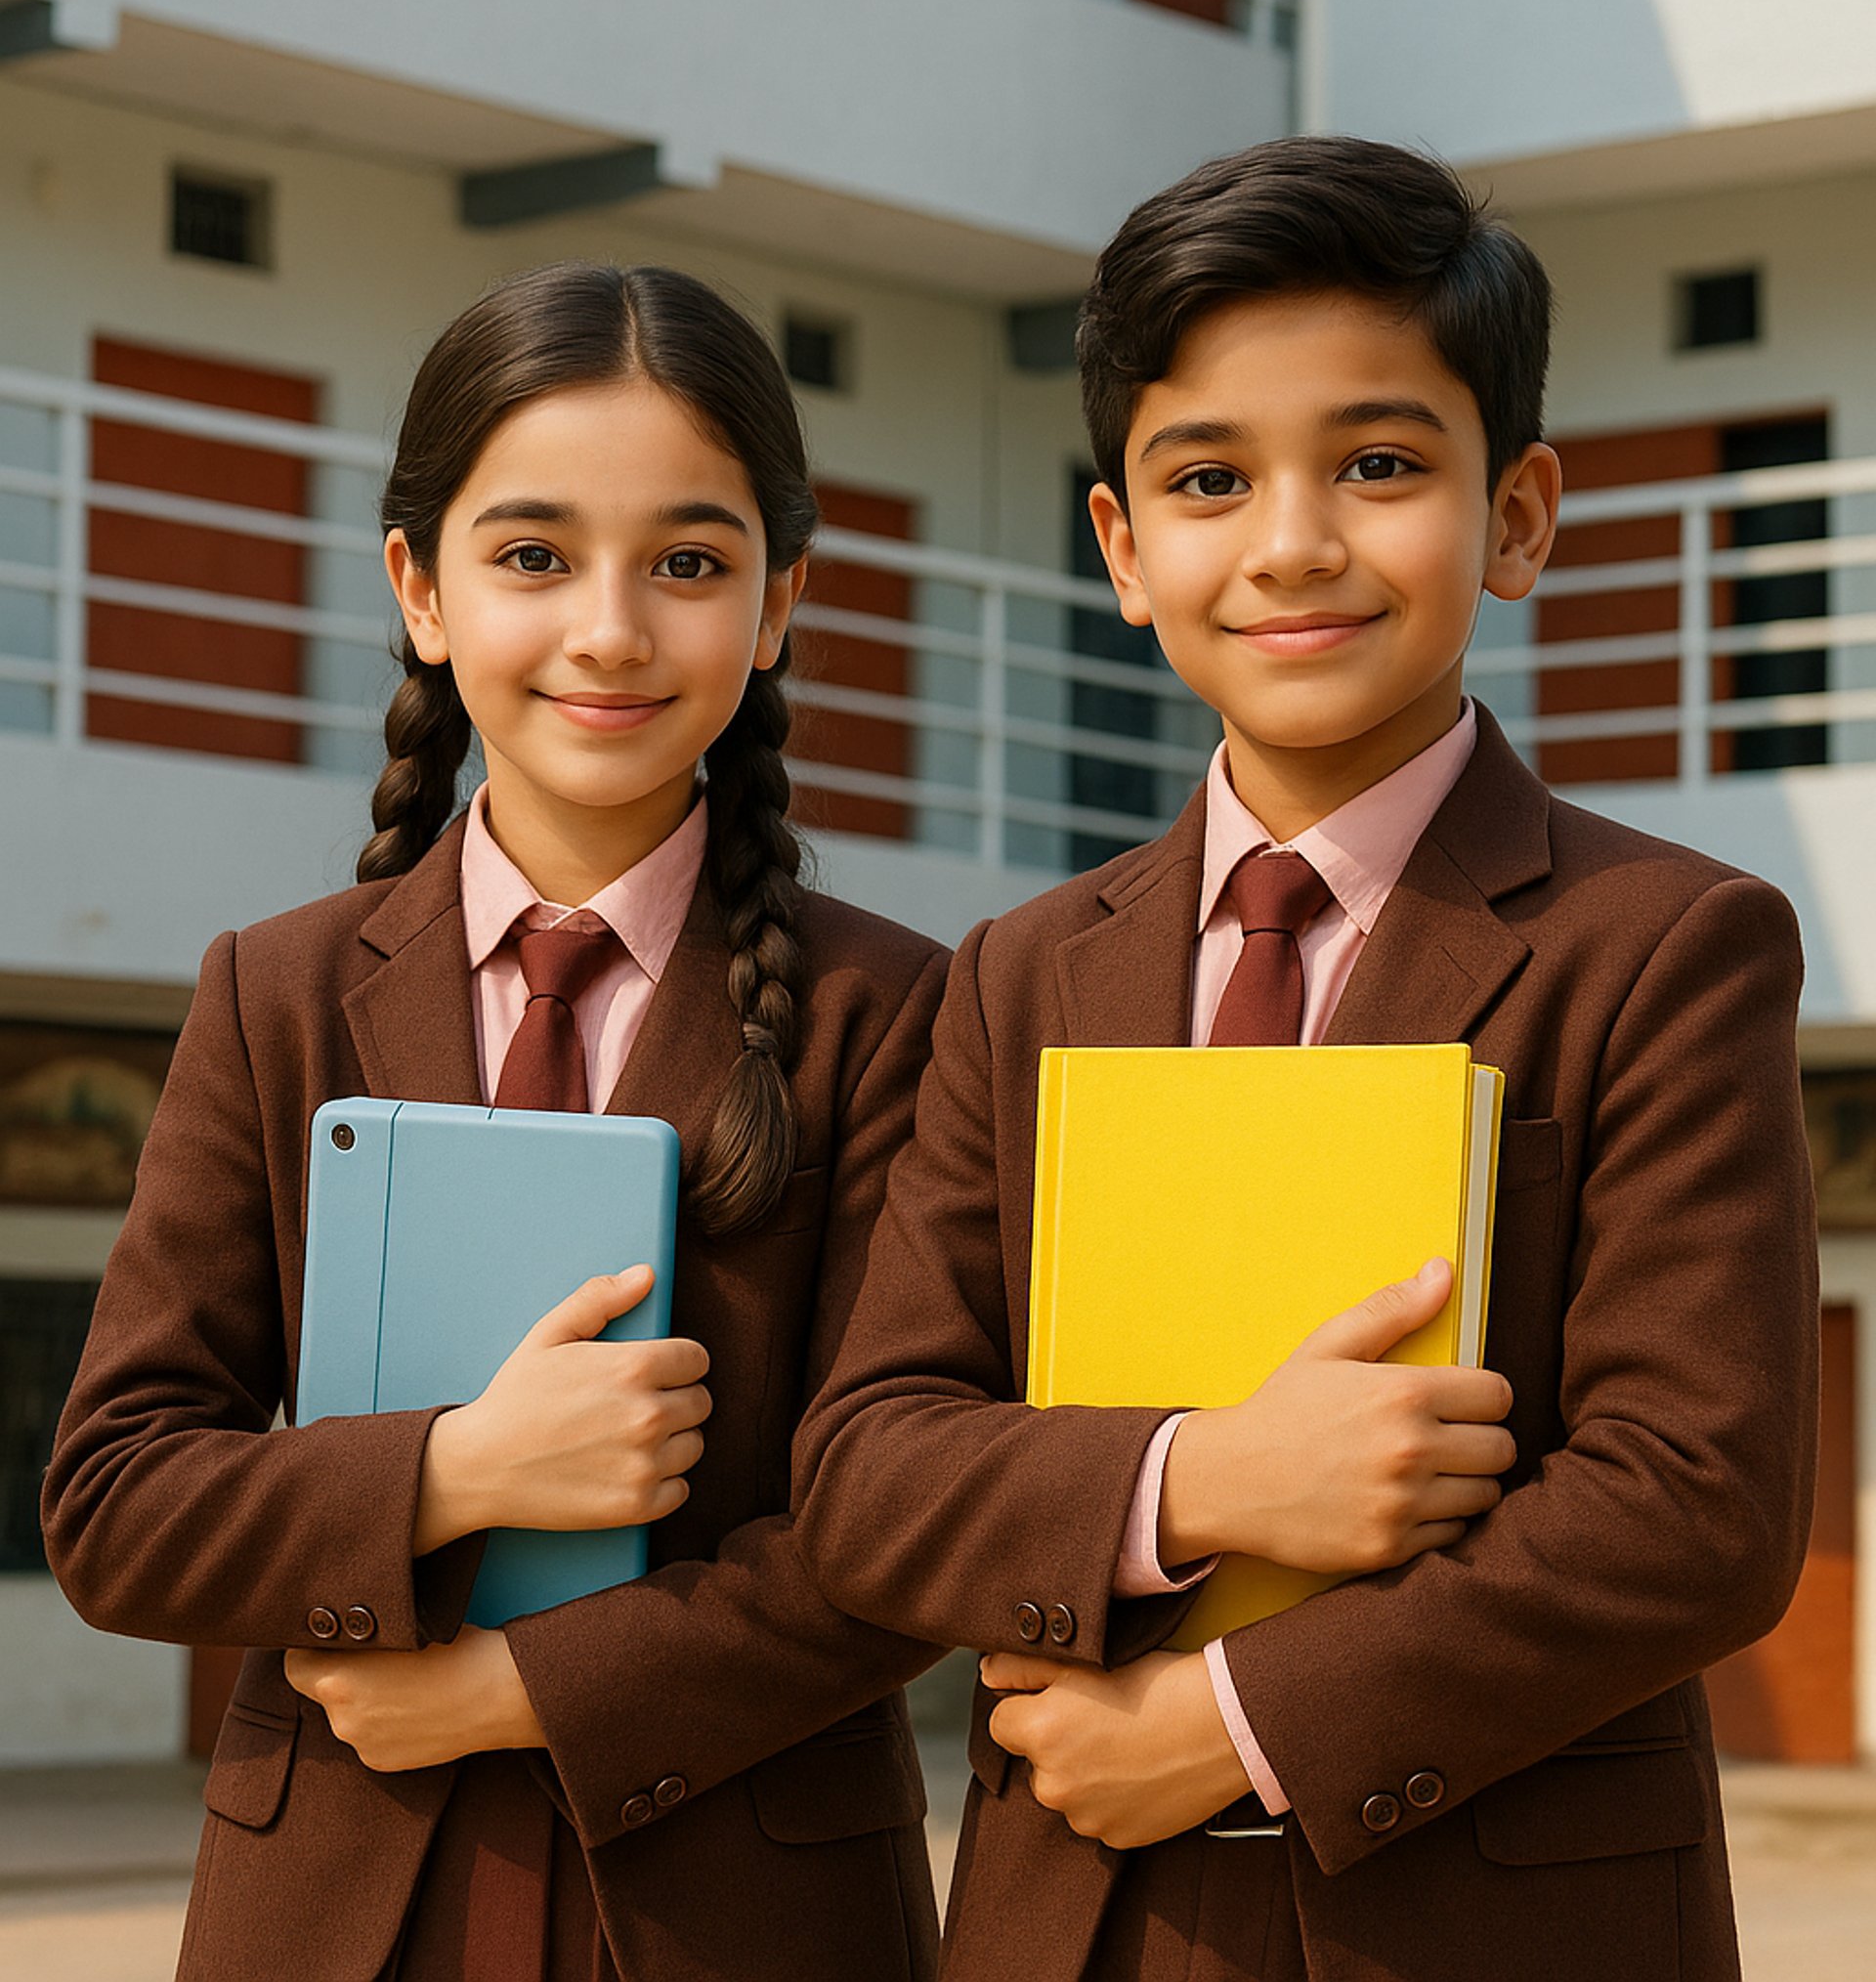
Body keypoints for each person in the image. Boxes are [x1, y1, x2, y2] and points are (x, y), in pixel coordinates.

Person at [795, 139, 1817, 1982]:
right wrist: (1192, 1487)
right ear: (1121, 546)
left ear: (1516, 518)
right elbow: (870, 1469)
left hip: (1495, 1924)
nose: (1291, 542)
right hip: (1075, 1922)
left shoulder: (1666, 945)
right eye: (1209, 478)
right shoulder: (1020, 978)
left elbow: (1699, 1503)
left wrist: (1235, 1719)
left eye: (1378, 463)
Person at [45, 262, 944, 1982]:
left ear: (777, 606)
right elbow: (115, 1501)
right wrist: (456, 1471)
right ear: (421, 585)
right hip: (337, 1898)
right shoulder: (277, 994)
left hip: (740, 1911)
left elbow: (894, 1536)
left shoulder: (892, 1012)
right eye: (533, 556)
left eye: (689, 562)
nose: (610, 629)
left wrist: (520, 1687)